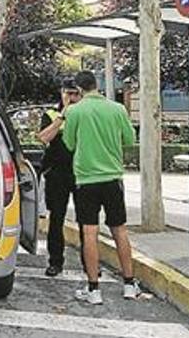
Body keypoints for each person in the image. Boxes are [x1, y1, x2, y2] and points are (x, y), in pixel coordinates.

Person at [62, 70, 138, 305]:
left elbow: (69, 143)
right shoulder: (117, 109)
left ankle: (93, 289)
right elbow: (129, 139)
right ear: (97, 85)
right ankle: (129, 284)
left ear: (79, 88)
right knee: (120, 230)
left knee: (90, 233)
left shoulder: (75, 111)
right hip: (113, 178)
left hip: (86, 180)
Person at [36, 78, 83, 277]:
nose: (71, 98)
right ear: (61, 93)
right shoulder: (51, 114)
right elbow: (43, 138)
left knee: (86, 221)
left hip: (81, 173)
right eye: (68, 93)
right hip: (57, 174)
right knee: (56, 219)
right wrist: (62, 117)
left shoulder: (85, 115)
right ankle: (55, 261)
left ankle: (89, 263)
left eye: (75, 94)